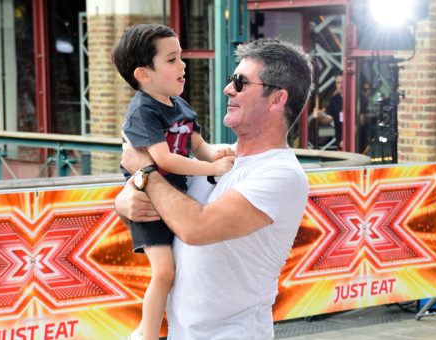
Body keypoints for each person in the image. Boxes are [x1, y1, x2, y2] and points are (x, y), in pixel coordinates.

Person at [115, 38, 315, 339]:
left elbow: (196, 227)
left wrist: (145, 172)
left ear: (278, 99)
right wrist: (125, 201)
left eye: (241, 82)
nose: (228, 89)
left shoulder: (281, 175)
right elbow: (161, 205)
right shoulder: (216, 158)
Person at [111, 23, 234, 340]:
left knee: (181, 271)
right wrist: (214, 169)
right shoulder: (143, 110)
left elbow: (198, 146)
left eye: (180, 57)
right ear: (144, 74)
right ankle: (146, 334)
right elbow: (163, 160)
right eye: (171, 59)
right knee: (164, 272)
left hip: (177, 200)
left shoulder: (180, 105)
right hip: (150, 203)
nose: (183, 65)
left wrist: (218, 155)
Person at [313, 74, 343, 150]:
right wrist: (321, 115)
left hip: (358, 145)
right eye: (338, 83)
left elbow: (361, 121)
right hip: (340, 145)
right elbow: (329, 119)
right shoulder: (334, 100)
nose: (340, 85)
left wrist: (347, 139)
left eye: (342, 82)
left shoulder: (358, 98)